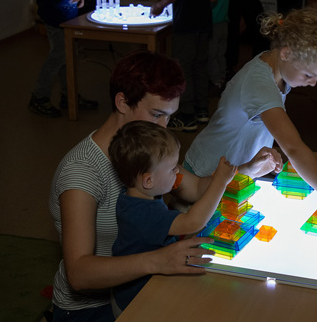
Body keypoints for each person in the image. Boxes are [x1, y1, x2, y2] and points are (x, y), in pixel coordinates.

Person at [49, 50, 281, 321]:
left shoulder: (147, 151)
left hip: (140, 285)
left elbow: (194, 188)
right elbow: (79, 274)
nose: (164, 127)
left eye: (169, 117)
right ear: (123, 102)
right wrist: (158, 260)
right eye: (157, 114)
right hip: (91, 309)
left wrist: (247, 170)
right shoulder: (82, 173)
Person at [184, 6, 317, 236]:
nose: (312, 84)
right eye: (309, 75)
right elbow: (294, 148)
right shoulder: (260, 83)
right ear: (286, 53)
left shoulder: (277, 70)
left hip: (232, 175)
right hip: (204, 176)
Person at [108, 121, 237, 316]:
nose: (177, 172)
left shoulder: (135, 196)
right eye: (172, 169)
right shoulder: (145, 214)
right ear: (148, 180)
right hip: (135, 302)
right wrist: (220, 182)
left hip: (137, 289)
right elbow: (193, 222)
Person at [29, 0, 125, 118]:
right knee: (59, 56)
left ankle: (69, 96)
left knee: (68, 57)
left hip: (65, 17)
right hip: (55, 18)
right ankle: (38, 97)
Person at [151, 0, 218, 132]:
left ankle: (187, 116)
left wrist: (160, 5)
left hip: (186, 22)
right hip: (204, 21)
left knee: (184, 68)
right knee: (200, 65)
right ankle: (202, 110)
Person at [208, 0, 232, 92]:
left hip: (213, 22)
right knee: (220, 54)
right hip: (224, 23)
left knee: (211, 55)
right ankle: (222, 78)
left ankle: (216, 81)